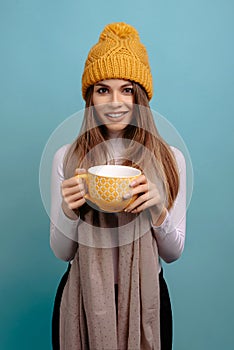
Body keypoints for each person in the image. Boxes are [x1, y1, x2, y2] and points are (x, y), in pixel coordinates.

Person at [50, 22, 186, 350]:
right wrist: (69, 212)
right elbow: (61, 252)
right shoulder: (67, 157)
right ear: (90, 97)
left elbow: (173, 253)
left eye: (127, 89)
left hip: (146, 298)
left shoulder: (170, 158)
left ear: (140, 96)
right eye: (102, 90)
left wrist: (157, 210)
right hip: (81, 300)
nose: (115, 102)